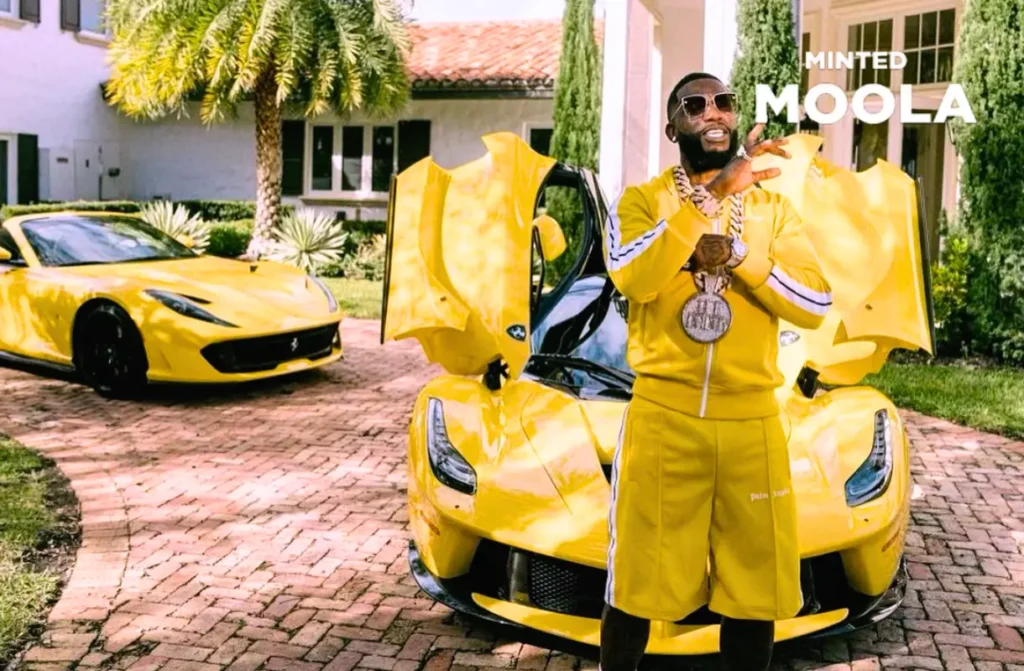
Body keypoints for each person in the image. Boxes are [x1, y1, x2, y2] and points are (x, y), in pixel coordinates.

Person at [600, 72, 833, 671]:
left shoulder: (774, 209)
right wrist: (709, 201)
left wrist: (740, 257)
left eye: (723, 103)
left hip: (751, 422)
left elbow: (813, 303)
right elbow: (633, 276)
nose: (713, 113)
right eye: (694, 104)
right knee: (633, 587)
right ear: (673, 123)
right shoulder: (642, 201)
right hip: (662, 419)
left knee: (753, 597)